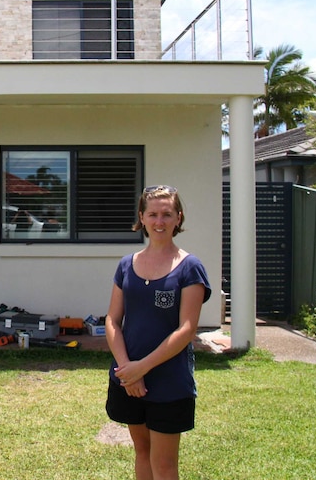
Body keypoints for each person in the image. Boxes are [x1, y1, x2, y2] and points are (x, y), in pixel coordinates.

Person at [105, 185, 211, 480]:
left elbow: (187, 329)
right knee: (141, 451)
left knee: (164, 464)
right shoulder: (126, 265)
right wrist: (127, 369)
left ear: (178, 218)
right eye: (152, 214)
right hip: (127, 377)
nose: (159, 221)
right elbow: (112, 320)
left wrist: (141, 369)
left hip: (168, 381)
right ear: (142, 217)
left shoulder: (190, 268)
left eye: (167, 214)